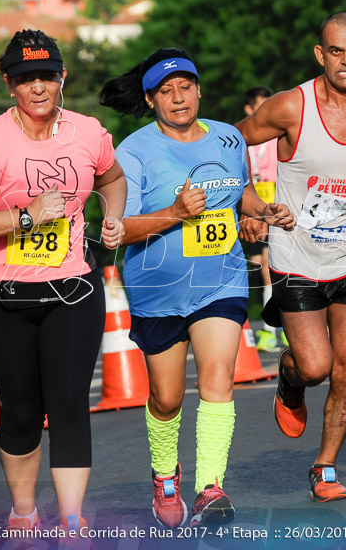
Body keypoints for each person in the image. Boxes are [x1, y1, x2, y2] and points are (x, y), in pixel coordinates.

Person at [101, 49, 295, 528]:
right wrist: (175, 213)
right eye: (165, 91)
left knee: (217, 380)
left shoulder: (229, 137)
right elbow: (118, 229)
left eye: (184, 86)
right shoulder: (132, 152)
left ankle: (210, 486)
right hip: (157, 290)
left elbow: (240, 193)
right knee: (166, 399)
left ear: (199, 88)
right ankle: (165, 474)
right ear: (150, 101)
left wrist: (260, 212)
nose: (177, 97)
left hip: (220, 280)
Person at [0, 29, 126, 536]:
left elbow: (111, 178)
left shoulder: (88, 132)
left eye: (47, 75)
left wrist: (112, 216)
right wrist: (23, 218)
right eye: (26, 79)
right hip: (3, 297)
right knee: (23, 414)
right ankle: (23, 512)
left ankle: (71, 522)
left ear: (62, 76)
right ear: (9, 85)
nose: (39, 87)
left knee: (70, 405)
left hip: (72, 290)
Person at [237, 11, 346, 502]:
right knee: (316, 367)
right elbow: (228, 142)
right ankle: (290, 378)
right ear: (321, 55)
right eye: (335, 51)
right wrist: (250, 200)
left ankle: (325, 467)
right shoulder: (291, 106)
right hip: (296, 257)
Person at [241, 86, 287, 353]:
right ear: (249, 109)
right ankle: (274, 326)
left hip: (277, 208)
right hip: (252, 211)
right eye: (261, 105)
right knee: (261, 268)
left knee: (272, 267)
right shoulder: (244, 139)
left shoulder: (277, 136)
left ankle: (273, 331)